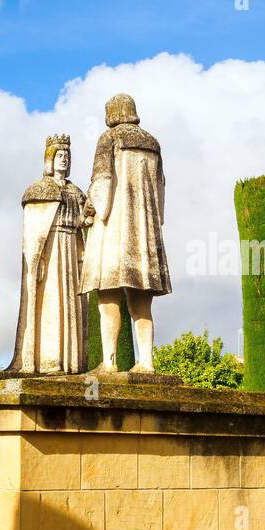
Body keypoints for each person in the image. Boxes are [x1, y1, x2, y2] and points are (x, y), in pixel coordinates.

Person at [81, 93, 170, 372]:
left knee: (108, 296)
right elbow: (160, 189)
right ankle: (147, 362)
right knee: (142, 303)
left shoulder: (109, 139)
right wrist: (155, 222)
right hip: (144, 235)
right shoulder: (152, 143)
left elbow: (102, 182)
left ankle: (108, 363)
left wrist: (91, 209)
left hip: (114, 231)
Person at [10, 134, 87, 374]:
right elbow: (34, 233)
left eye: (66, 156)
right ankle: (48, 359)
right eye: (59, 156)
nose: (63, 160)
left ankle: (70, 362)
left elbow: (83, 222)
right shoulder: (39, 190)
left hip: (70, 247)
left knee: (71, 303)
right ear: (49, 160)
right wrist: (38, 259)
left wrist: (86, 218)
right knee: (51, 302)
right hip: (51, 250)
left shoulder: (76, 192)